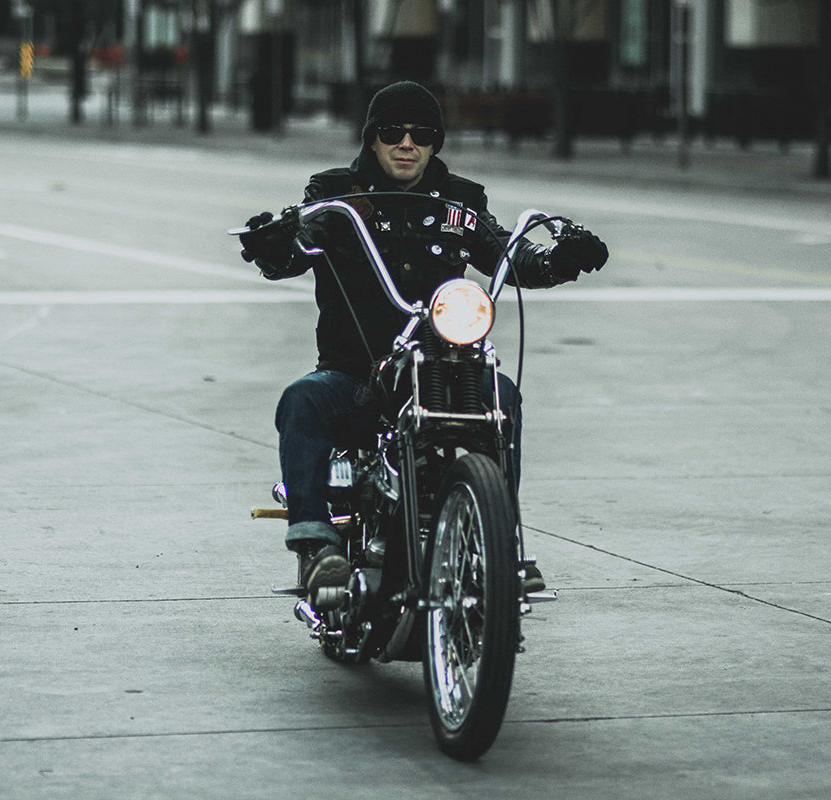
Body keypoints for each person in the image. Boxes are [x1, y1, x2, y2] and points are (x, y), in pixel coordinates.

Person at [238, 81, 607, 602]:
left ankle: (498, 543)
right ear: (372, 138)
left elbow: (504, 254)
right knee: (302, 399)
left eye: (422, 133)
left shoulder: (463, 200)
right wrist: (275, 243)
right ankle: (317, 548)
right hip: (356, 370)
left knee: (502, 395)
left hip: (442, 367)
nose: (406, 143)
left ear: (436, 143)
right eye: (393, 132)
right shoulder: (337, 193)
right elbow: (299, 247)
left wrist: (556, 260)